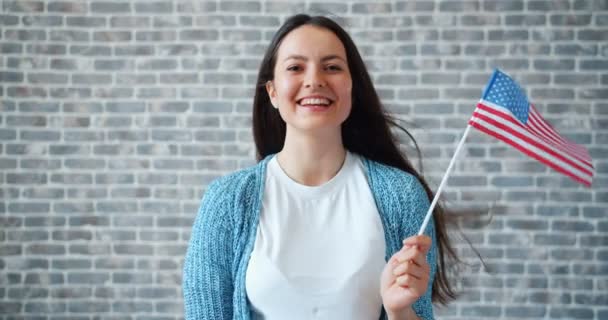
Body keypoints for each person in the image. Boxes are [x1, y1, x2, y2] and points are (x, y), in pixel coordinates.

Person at [183, 14, 459, 320]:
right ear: (272, 92)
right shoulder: (226, 201)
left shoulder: (402, 195)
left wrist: (400, 310)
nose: (315, 80)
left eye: (332, 67)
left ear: (352, 88)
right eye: (295, 68)